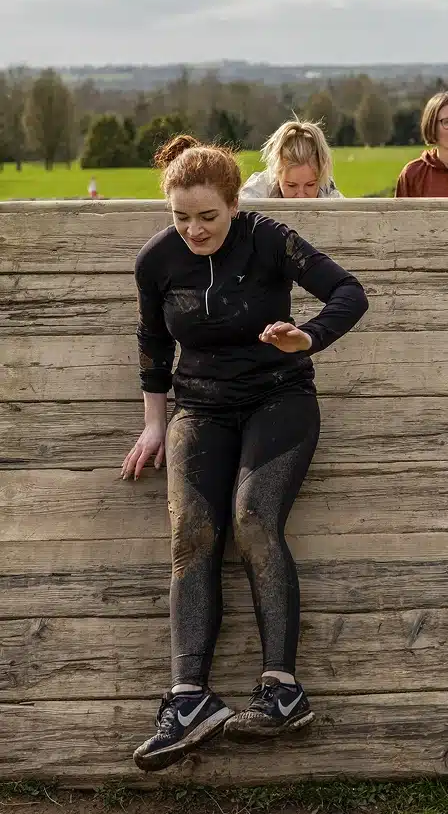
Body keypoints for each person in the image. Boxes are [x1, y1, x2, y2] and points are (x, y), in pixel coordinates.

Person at [122, 135, 368, 772]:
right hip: (199, 406)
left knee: (254, 519)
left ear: (235, 203)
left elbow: (349, 293)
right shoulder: (157, 260)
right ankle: (188, 701)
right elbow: (153, 346)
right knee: (192, 531)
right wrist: (154, 424)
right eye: (181, 217)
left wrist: (305, 338)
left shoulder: (269, 239)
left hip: (278, 398)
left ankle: (281, 689)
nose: (194, 230)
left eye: (208, 216)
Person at [240, 119, 343, 200]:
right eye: (291, 186)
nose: (301, 196)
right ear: (277, 174)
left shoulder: (329, 193)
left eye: (310, 185)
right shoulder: (256, 193)